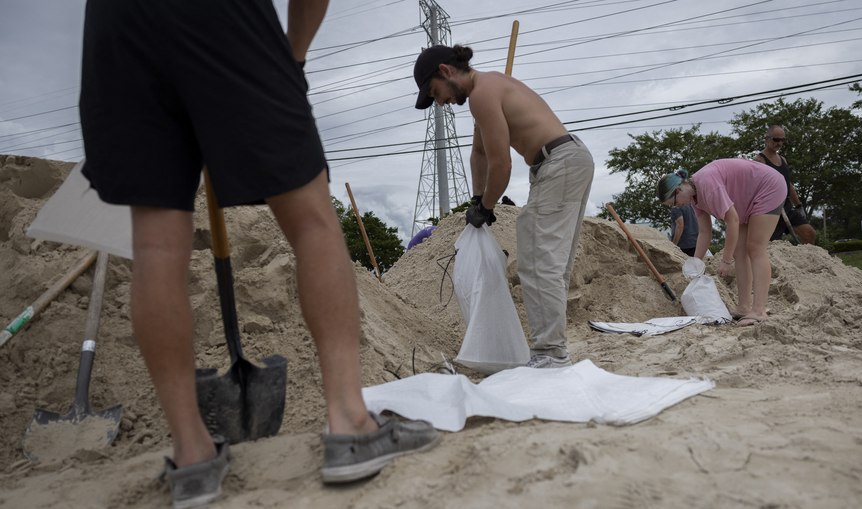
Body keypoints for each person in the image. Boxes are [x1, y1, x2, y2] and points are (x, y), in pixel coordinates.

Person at [79, 1, 439, 507]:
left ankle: (192, 454)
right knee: (312, 219)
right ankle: (351, 422)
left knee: (156, 245)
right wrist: (290, 56)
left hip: (116, 26)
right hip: (224, 18)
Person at [412, 45, 595, 369]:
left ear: (445, 71)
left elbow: (502, 164)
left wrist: (486, 206)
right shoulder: (485, 93)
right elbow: (480, 154)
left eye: (434, 93)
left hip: (559, 163)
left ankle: (550, 354)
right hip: (566, 160)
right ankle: (553, 349)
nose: (439, 102)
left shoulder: (483, 93)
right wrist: (476, 196)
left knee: (539, 259)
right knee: (549, 262)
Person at [656, 159, 786, 327]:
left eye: (674, 203)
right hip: (746, 199)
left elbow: (732, 221)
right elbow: (704, 232)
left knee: (755, 248)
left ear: (678, 190)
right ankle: (744, 306)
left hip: (769, 186)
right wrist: (695, 263)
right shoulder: (694, 198)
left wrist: (726, 260)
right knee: (740, 251)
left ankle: (759, 310)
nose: (677, 206)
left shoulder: (707, 185)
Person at [753, 125, 817, 244]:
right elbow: (755, 188)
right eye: (776, 139)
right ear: (767, 139)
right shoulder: (759, 161)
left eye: (782, 140)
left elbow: (788, 185)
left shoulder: (783, 159)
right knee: (771, 244)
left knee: (809, 233)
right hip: (770, 209)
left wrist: (798, 206)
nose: (780, 143)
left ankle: (805, 261)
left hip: (786, 206)